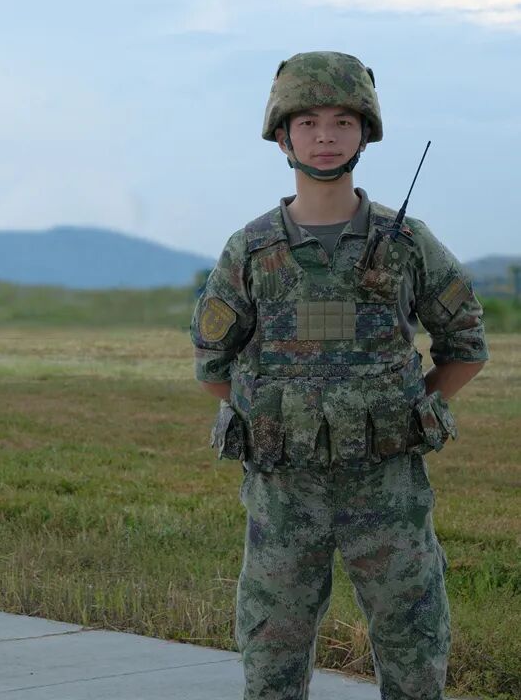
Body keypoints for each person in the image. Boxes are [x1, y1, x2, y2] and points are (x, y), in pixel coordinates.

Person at [190, 51, 488, 700]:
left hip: (386, 484)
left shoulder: (406, 243)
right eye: (307, 122)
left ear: (364, 134)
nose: (324, 136)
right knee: (272, 650)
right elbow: (212, 363)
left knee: (413, 644)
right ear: (282, 137)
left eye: (342, 121)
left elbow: (465, 345)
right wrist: (277, 416)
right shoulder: (252, 249)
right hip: (284, 488)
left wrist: (405, 410)